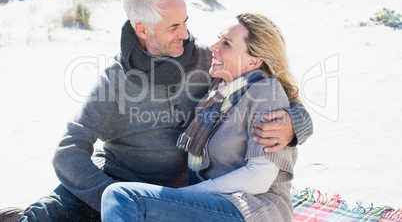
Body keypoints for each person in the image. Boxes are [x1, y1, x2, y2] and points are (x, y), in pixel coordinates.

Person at [0, 0, 312, 222]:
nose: (186, 34)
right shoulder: (115, 80)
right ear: (143, 30)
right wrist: (108, 195)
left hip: (180, 194)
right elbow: (68, 150)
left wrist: (294, 124)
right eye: (174, 26)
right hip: (114, 182)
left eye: (186, 22)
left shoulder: (208, 62)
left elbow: (271, 88)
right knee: (42, 218)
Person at [101, 12, 299, 222]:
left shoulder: (266, 91)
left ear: (253, 62)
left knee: (121, 196)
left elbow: (260, 177)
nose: (214, 47)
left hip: (253, 211)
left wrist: (182, 196)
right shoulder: (220, 93)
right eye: (218, 39)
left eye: (226, 44)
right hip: (215, 205)